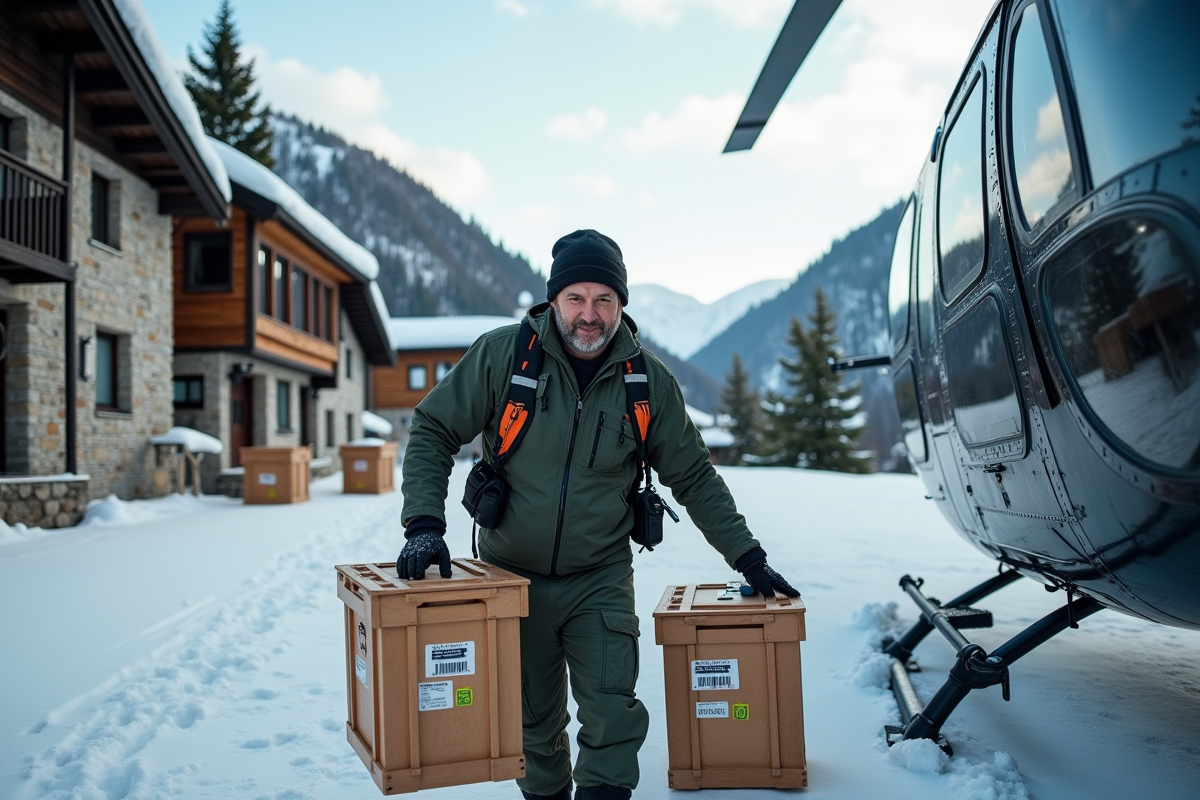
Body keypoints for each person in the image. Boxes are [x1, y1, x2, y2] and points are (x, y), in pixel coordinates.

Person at [397, 229, 799, 800]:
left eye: (604, 299)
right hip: (511, 577)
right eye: (576, 298)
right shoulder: (504, 356)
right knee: (531, 722)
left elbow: (693, 475)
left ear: (620, 304)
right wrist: (423, 525)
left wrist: (748, 557)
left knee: (612, 713)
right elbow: (433, 427)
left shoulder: (646, 382)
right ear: (553, 301)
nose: (590, 315)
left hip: (600, 577)